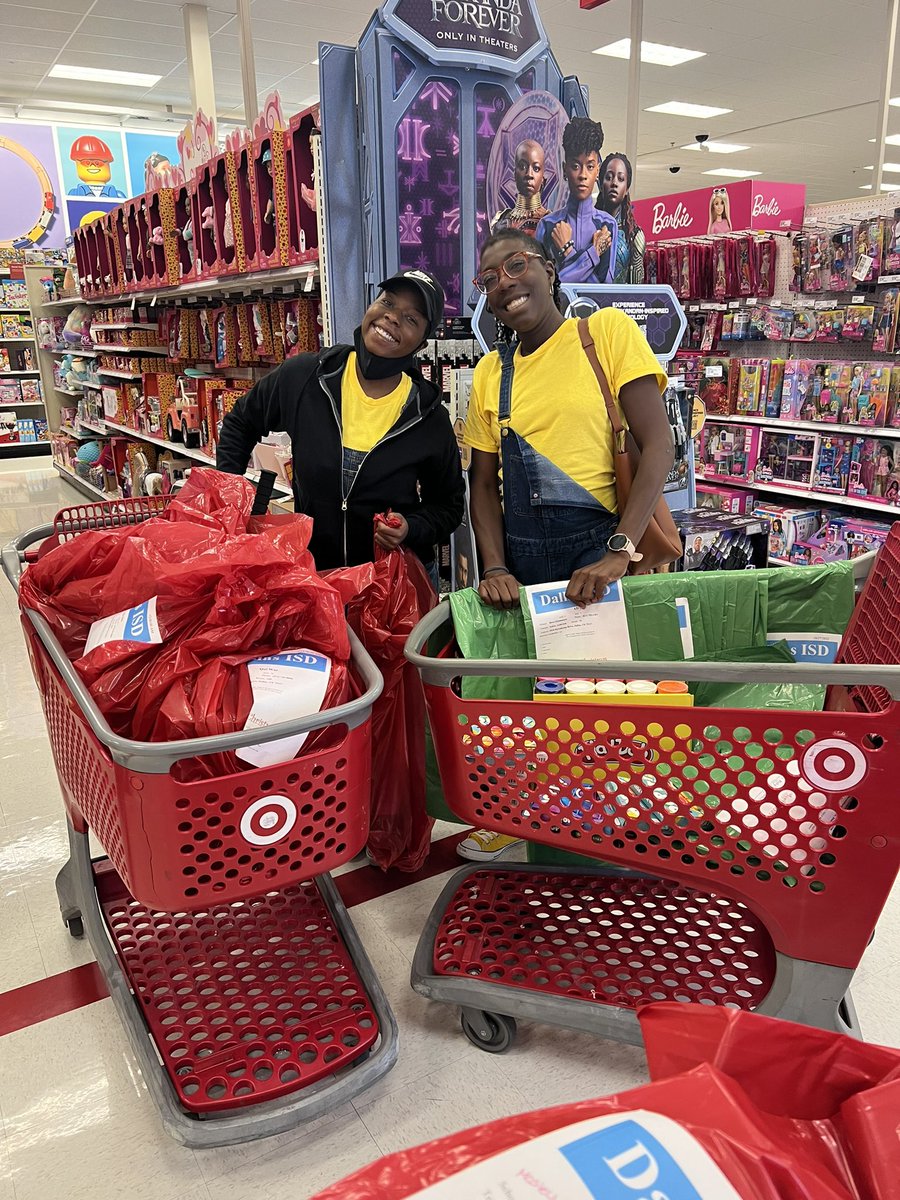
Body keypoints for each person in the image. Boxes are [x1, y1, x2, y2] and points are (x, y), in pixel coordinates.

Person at [456, 229, 673, 862]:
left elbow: (658, 448)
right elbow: (484, 485)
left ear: (549, 269)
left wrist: (618, 550)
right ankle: (518, 820)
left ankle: (608, 840)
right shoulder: (491, 372)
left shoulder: (603, 335)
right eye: (489, 278)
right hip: (523, 562)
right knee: (529, 706)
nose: (504, 283)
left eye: (516, 265)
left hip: (600, 551)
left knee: (602, 707)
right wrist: (493, 563)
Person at [216, 269, 464, 573]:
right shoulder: (307, 376)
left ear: (421, 345)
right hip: (316, 578)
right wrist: (231, 502)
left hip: (390, 589)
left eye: (411, 319)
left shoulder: (427, 416)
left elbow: (448, 507)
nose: (393, 318)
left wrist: (410, 528)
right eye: (387, 303)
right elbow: (240, 423)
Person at [535, 117, 617, 284]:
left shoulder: (607, 225)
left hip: (597, 311)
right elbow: (544, 286)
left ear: (597, 171)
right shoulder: (547, 225)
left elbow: (605, 285)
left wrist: (568, 252)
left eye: (590, 166)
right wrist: (594, 253)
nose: (582, 175)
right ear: (565, 169)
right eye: (575, 166)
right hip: (557, 311)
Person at [598, 152, 645, 285]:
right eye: (609, 177)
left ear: (627, 189)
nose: (614, 183)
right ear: (601, 184)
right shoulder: (587, 227)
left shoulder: (634, 236)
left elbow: (637, 289)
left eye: (620, 179)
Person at [491, 139, 551, 236]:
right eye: (522, 167)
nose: (529, 174)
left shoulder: (551, 222)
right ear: (515, 174)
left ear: (543, 178)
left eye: (536, 168)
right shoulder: (500, 222)